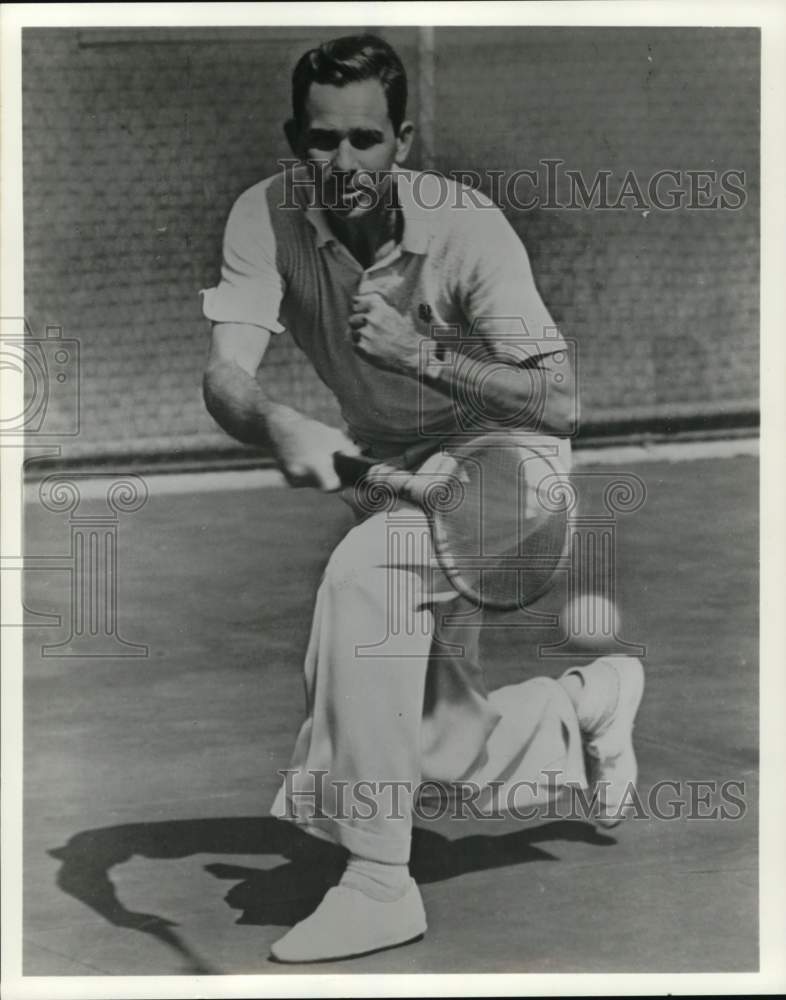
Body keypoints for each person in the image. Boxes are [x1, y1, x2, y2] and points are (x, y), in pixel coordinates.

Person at [201, 33, 644, 963]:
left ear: (402, 140)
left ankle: (377, 884)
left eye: (366, 140)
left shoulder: (468, 228)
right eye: (323, 141)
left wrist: (422, 355)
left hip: (512, 465)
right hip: (392, 475)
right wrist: (277, 421)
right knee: (430, 745)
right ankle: (584, 706)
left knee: (364, 585)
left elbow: (563, 403)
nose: (344, 163)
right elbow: (227, 379)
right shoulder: (264, 216)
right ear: (296, 137)